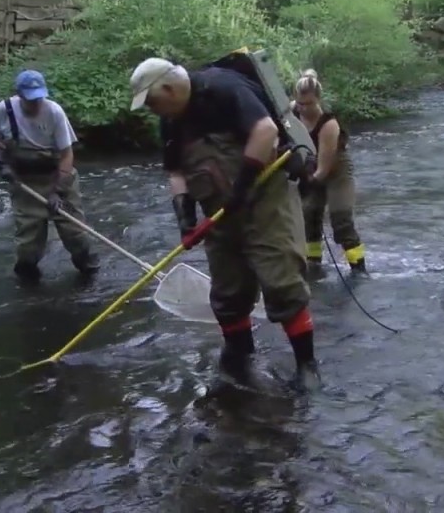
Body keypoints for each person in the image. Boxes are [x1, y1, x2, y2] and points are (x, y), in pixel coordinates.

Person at [128, 55, 320, 388]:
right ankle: (238, 355)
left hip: (263, 201)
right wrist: (185, 217)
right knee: (228, 289)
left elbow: (265, 131)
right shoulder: (170, 120)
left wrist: (241, 189)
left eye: (153, 102)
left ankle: (307, 364)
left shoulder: (224, 88)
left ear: (171, 88)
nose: (152, 111)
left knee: (281, 280)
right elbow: (175, 170)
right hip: (216, 208)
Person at [0, 69, 100, 282]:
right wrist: (2, 165)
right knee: (28, 243)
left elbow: (67, 155)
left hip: (58, 177)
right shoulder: (5, 110)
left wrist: (58, 192)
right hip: (25, 183)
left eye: (39, 97)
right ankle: (29, 284)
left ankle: (89, 272)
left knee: (74, 232)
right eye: (30, 99)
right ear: (19, 95)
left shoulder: (54, 112)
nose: (36, 103)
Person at [290, 70, 366, 272]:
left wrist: (307, 183)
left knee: (341, 219)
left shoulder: (329, 124)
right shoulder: (292, 112)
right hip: (311, 165)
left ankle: (358, 268)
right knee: (309, 214)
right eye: (300, 104)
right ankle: (313, 264)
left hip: (336, 170)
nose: (304, 109)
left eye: (309, 104)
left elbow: (323, 170)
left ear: (318, 100)